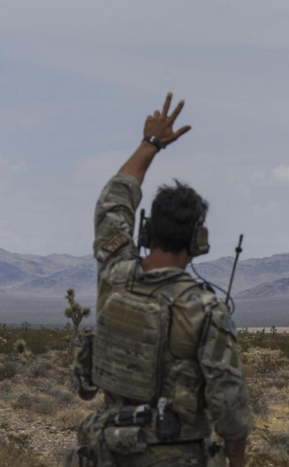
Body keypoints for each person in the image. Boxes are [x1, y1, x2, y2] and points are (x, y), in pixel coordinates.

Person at [67, 93, 254, 467]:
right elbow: (228, 405)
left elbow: (114, 198)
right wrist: (236, 459)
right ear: (197, 242)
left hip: (106, 452)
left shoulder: (115, 274)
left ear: (147, 230)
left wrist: (149, 143)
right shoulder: (205, 310)